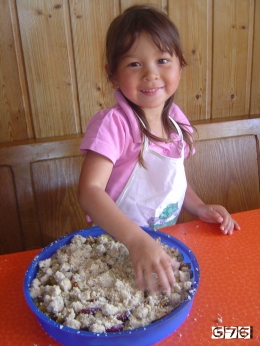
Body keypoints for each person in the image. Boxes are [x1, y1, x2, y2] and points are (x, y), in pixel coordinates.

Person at [78, 5, 240, 296]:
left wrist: (200, 206)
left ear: (180, 66)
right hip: (115, 246)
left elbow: (172, 183)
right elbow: (89, 192)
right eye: (134, 64)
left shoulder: (177, 121)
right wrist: (136, 239)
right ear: (112, 75)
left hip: (162, 243)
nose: (151, 74)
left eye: (162, 60)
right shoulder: (115, 125)